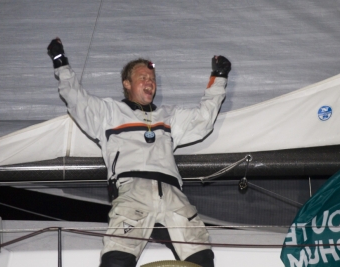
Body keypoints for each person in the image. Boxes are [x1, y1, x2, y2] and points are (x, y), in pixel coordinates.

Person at [47, 37, 231, 267]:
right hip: (132, 191)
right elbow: (76, 99)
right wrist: (60, 62)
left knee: (202, 258)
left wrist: (219, 79)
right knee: (116, 259)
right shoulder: (109, 112)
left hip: (172, 193)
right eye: (143, 77)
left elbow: (203, 120)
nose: (150, 82)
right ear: (127, 83)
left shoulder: (169, 116)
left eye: (152, 79)